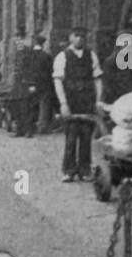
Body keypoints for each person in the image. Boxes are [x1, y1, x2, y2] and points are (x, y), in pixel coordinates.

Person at [53, 27, 104, 181]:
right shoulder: (63, 56)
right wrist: (63, 103)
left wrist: (98, 100)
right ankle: (68, 170)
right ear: (71, 38)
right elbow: (58, 81)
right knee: (71, 136)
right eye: (77, 36)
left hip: (87, 100)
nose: (80, 39)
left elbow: (97, 79)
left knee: (86, 136)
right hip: (71, 100)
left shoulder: (91, 55)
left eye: (83, 36)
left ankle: (85, 169)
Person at [33, 36, 57, 133]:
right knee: (44, 105)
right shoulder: (46, 56)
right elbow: (51, 70)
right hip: (44, 84)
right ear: (43, 44)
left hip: (30, 83)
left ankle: (30, 126)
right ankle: (42, 126)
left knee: (30, 105)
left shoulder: (29, 55)